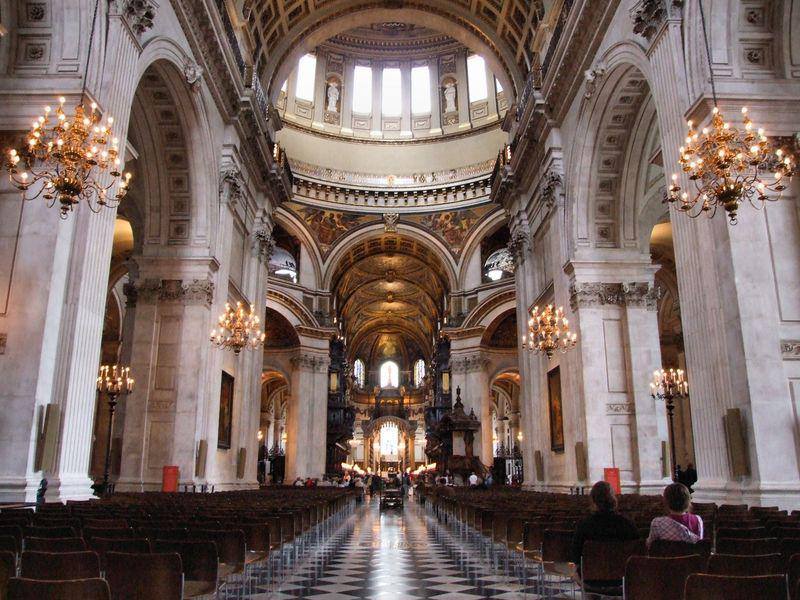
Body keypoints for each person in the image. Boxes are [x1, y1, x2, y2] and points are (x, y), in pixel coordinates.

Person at [570, 481, 639, 568]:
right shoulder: (627, 524)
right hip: (621, 578)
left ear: (594, 500)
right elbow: (636, 553)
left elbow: (575, 556)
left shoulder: (584, 525)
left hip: (590, 577)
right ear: (613, 499)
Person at [647, 482, 703, 547]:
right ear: (687, 500)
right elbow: (699, 545)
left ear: (666, 501)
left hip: (667, 556)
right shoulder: (697, 520)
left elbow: (651, 545)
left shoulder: (657, 523)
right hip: (692, 556)